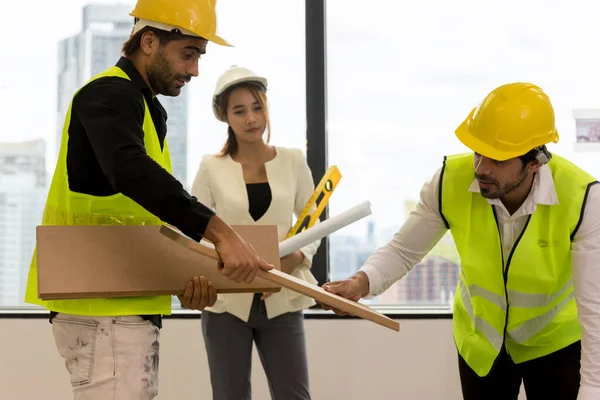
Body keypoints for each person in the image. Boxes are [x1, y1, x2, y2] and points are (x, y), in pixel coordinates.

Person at [24, 1, 273, 399]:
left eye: (199, 56)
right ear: (151, 41)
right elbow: (130, 171)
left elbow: (140, 216)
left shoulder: (143, 107)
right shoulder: (108, 94)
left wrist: (183, 279)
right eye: (188, 54)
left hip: (121, 307)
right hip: (102, 312)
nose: (194, 70)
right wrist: (220, 233)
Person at [322, 82, 600, 400]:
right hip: (482, 342)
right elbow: (403, 250)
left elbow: (595, 307)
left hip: (556, 344)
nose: (481, 167)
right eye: (478, 151)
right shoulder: (449, 180)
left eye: (497, 159)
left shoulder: (583, 198)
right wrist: (360, 282)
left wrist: (593, 388)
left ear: (535, 161)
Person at [191, 65, 321, 400]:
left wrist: (291, 263)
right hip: (226, 302)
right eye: (240, 110)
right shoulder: (211, 167)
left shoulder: (293, 160)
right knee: (229, 395)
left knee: (295, 395)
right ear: (225, 117)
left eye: (257, 107)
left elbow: (313, 222)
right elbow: (197, 231)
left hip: (283, 297)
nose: (251, 118)